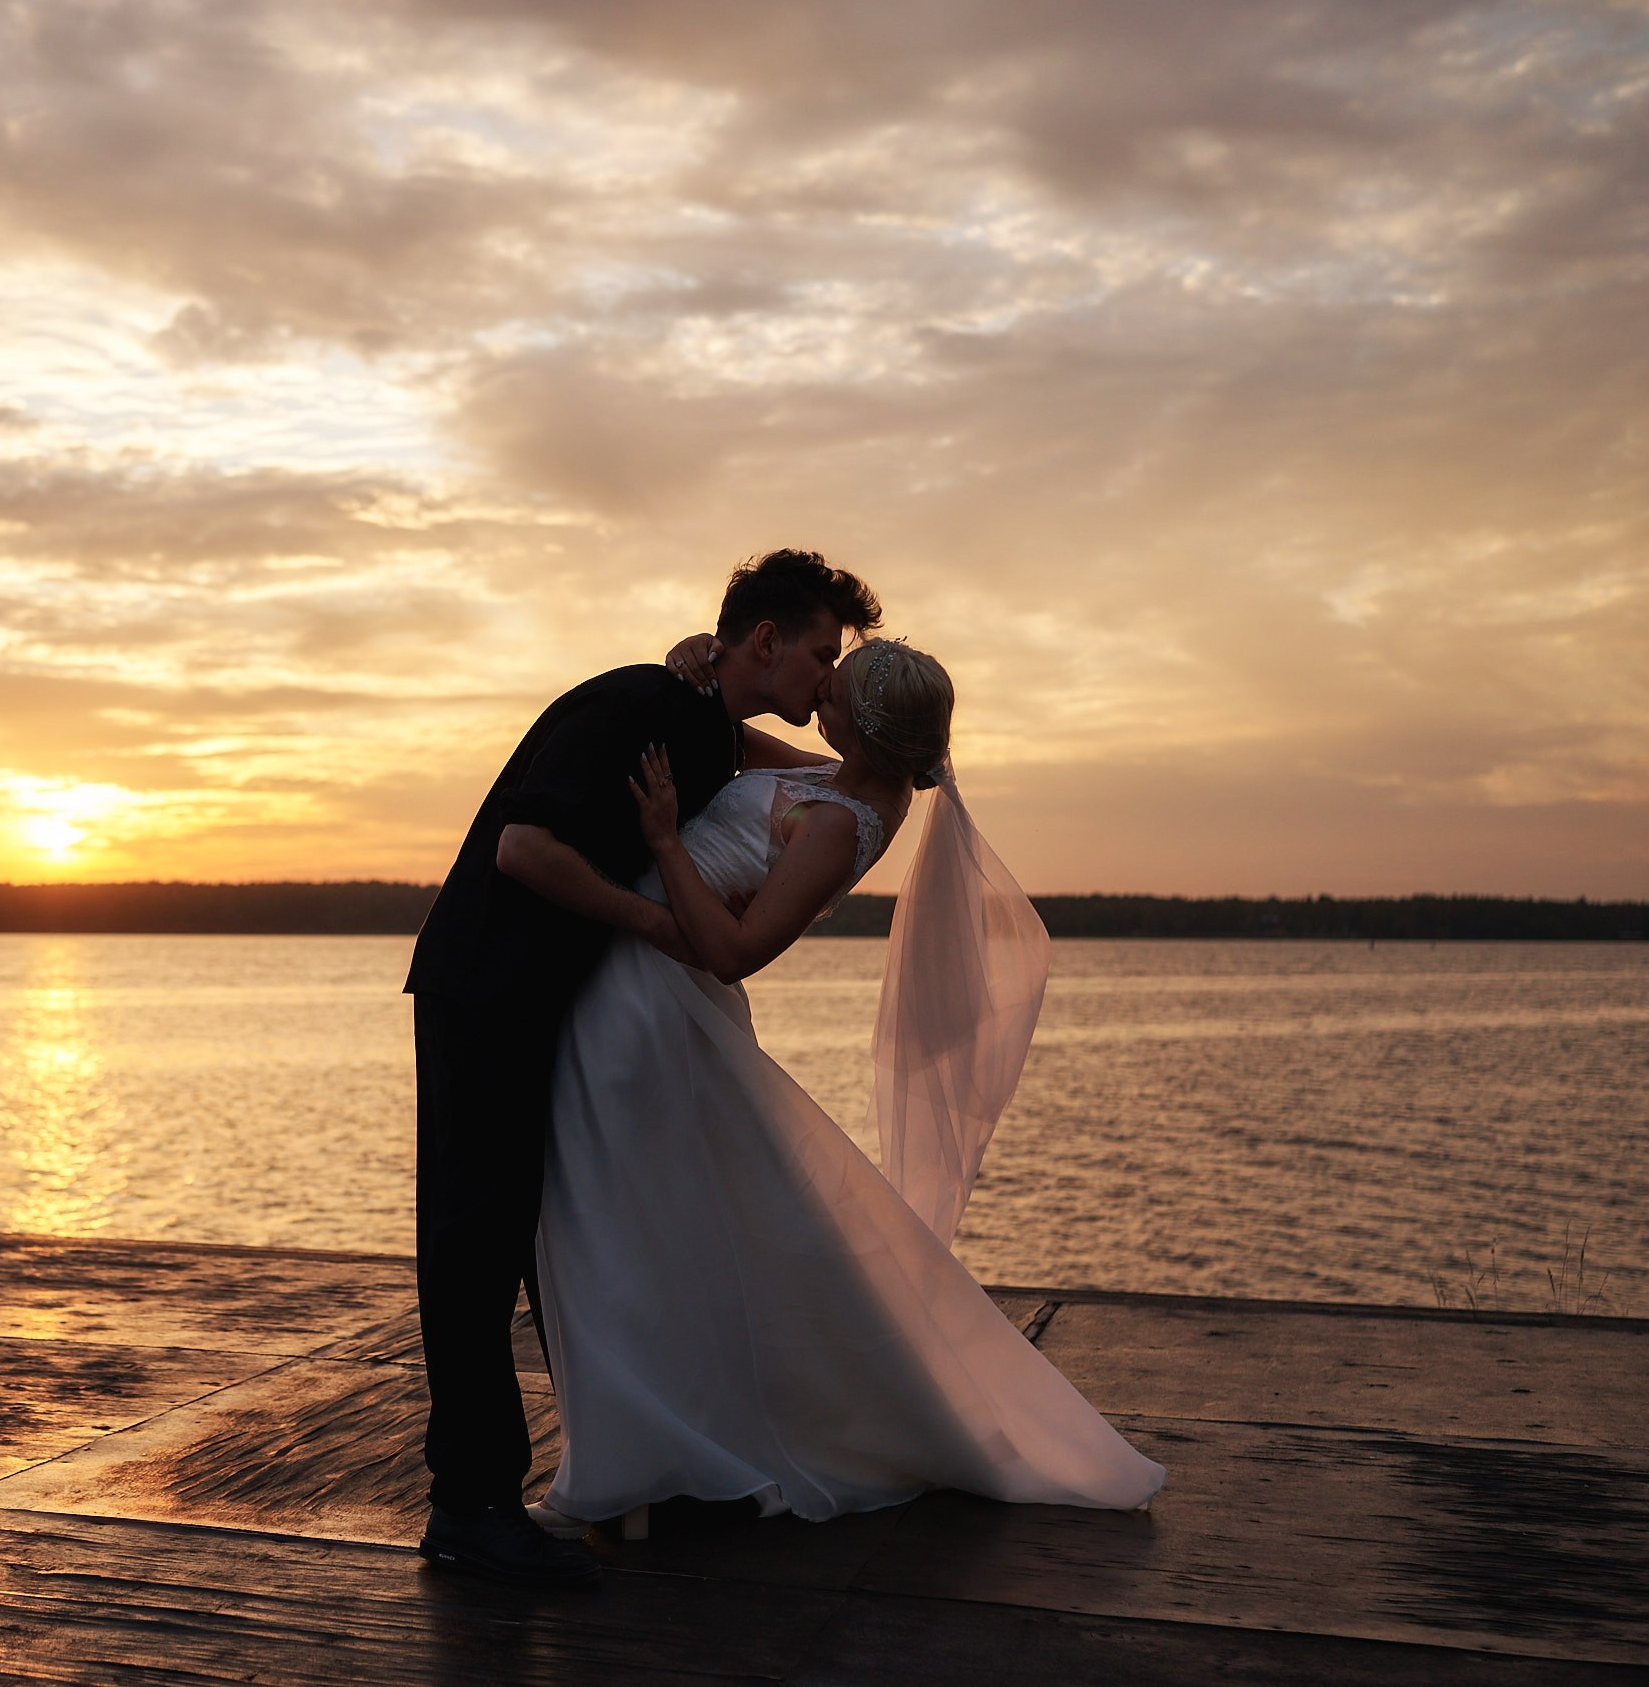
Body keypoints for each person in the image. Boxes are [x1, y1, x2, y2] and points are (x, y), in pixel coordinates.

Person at [530, 635, 1166, 1531]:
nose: (821, 686)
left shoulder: (839, 824)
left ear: (864, 729)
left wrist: (667, 839)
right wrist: (700, 671)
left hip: (651, 993)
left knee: (615, 1225)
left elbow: (735, 947)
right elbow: (739, 745)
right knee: (652, 1228)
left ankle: (637, 1462)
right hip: (639, 985)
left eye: (838, 687)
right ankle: (647, 1453)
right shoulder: (842, 779)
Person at [404, 550, 883, 1586]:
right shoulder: (637, 703)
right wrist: (658, 922)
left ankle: (631, 1459)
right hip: (486, 987)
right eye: (817, 651)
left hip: (550, 996)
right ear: (764, 640)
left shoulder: (707, 724)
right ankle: (469, 1504)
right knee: (472, 1243)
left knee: (545, 1243)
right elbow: (524, 851)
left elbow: (825, 775)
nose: (823, 674)